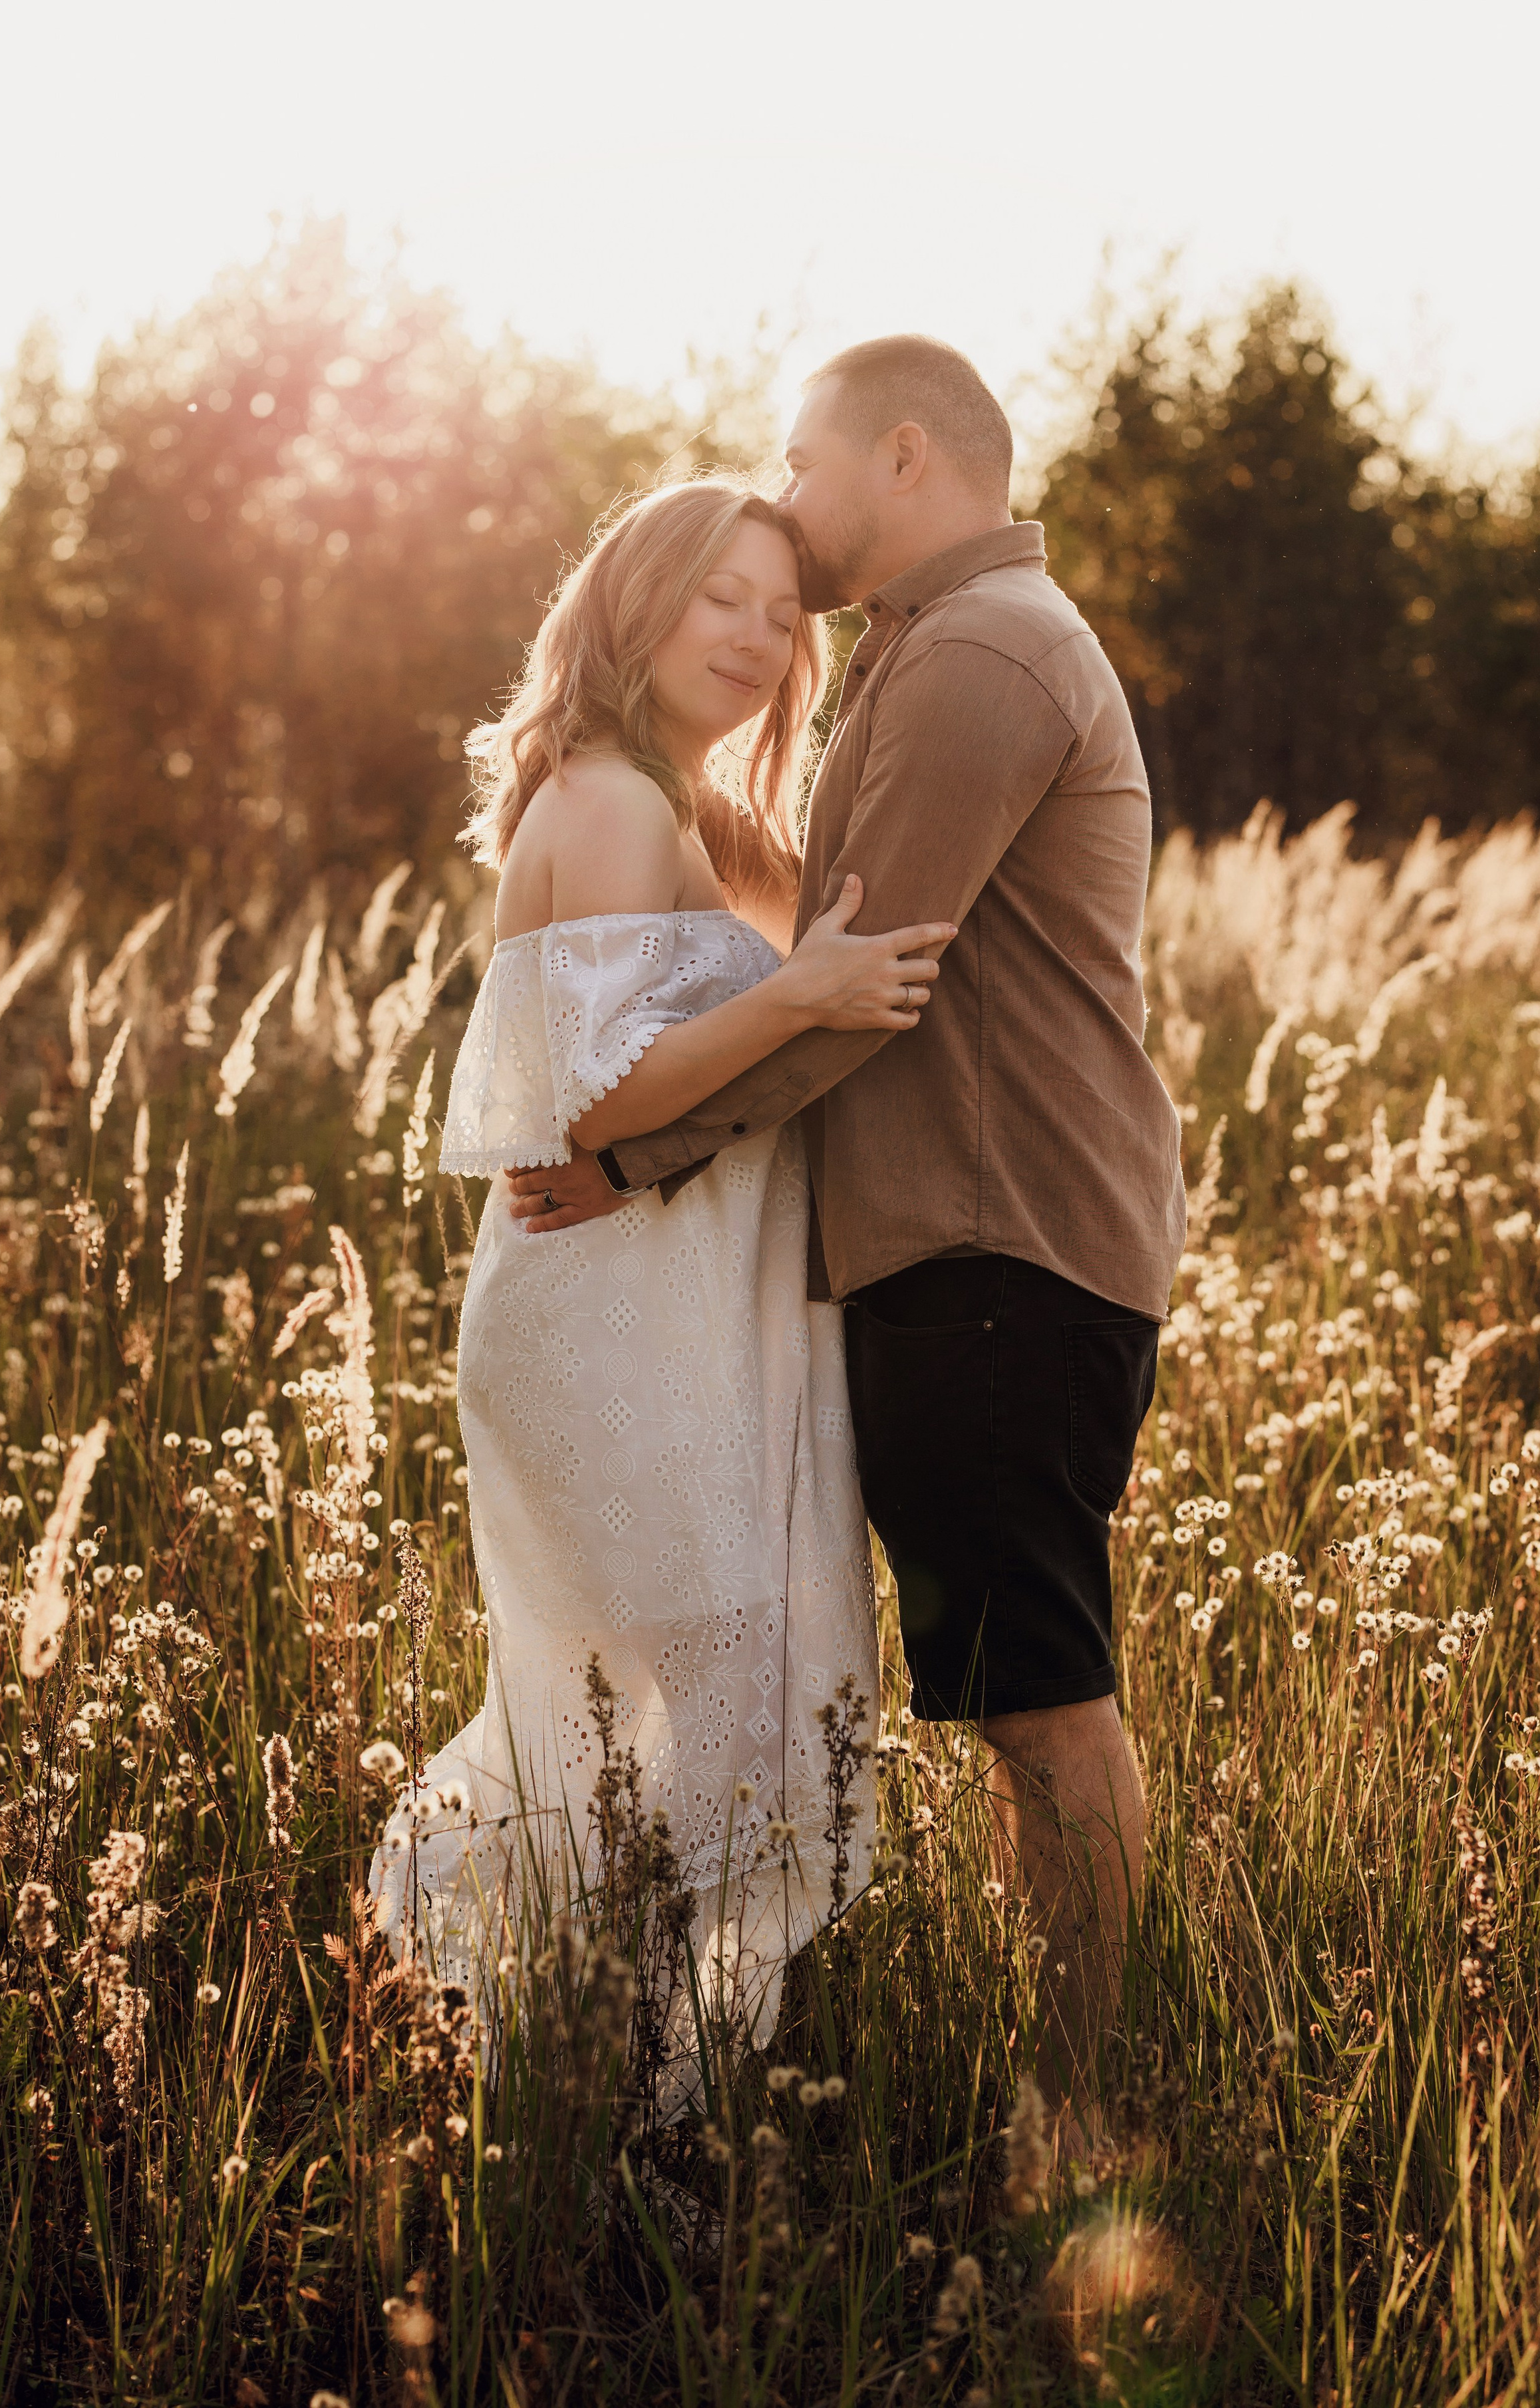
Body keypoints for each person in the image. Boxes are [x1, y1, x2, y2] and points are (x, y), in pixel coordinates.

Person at [512, 337, 1187, 2145]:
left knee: (1043, 1702)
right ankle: (1080, 2069)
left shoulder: (975, 653)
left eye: (802, 469)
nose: (792, 514)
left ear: (903, 456)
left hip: (993, 1241)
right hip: (973, 1242)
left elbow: (863, 987)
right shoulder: (943, 644)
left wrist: (635, 1151)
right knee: (1007, 1690)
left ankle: (1094, 2093)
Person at [369, 476, 957, 2109]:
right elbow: (601, 1100)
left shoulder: (665, 803)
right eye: (724, 598)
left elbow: (827, 879)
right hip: (610, 1312)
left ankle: (605, 2071)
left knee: (668, 1708)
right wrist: (815, 993)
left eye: (787, 614)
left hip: (657, 1303)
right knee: (696, 1703)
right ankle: (612, 2086)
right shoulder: (617, 798)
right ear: (634, 603)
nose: (762, 637)